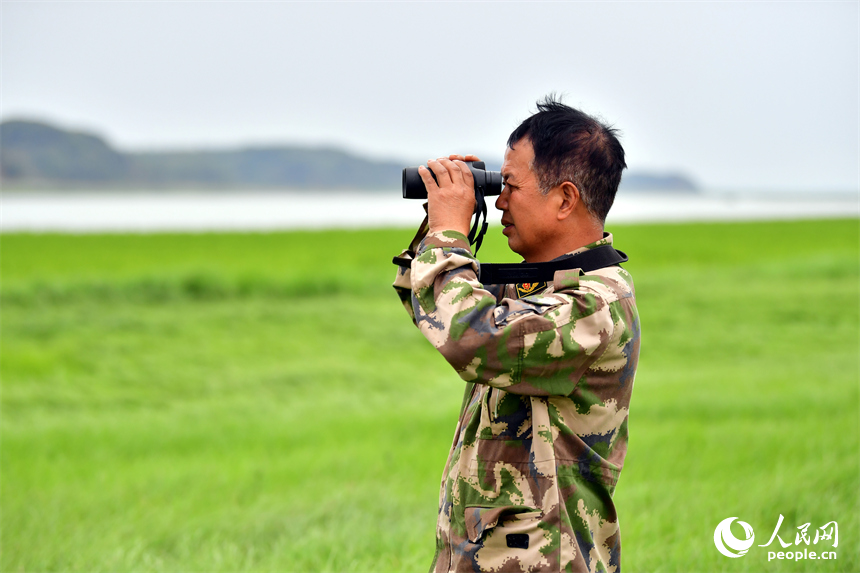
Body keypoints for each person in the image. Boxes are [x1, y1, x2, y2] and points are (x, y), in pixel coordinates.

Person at [393, 97, 640, 573]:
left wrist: (450, 231)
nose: (500, 201)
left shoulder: (593, 303)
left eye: (510, 186)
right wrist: (439, 220)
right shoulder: (545, 285)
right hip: (488, 552)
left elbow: (471, 335)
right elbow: (432, 306)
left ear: (564, 198)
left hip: (544, 558)